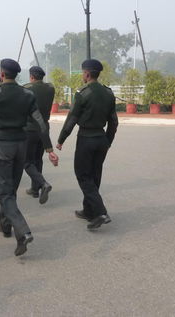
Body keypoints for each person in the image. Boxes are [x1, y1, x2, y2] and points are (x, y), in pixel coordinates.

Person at [0, 59, 58, 256]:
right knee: (10, 188)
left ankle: (23, 231)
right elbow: (40, 122)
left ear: (2, 74)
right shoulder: (27, 94)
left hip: (3, 145)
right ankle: (5, 225)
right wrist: (48, 148)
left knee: (4, 192)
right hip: (21, 144)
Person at [56, 59, 118, 230]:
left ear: (87, 74)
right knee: (94, 175)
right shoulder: (108, 93)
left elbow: (72, 119)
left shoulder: (83, 93)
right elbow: (113, 121)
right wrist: (108, 141)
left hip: (86, 138)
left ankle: (100, 212)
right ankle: (88, 210)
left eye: (83, 72)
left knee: (83, 175)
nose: (82, 75)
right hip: (101, 139)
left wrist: (61, 139)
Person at [23, 66, 55, 204]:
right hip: (44, 128)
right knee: (38, 159)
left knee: (27, 161)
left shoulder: (26, 89)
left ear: (31, 77)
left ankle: (41, 184)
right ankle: (35, 189)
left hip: (30, 128)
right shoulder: (50, 88)